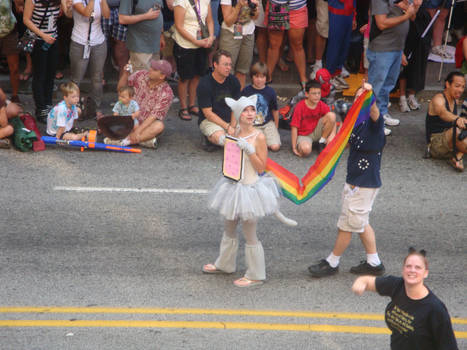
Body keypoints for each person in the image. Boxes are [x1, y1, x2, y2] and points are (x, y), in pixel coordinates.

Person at [201, 95, 281, 287]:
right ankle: (225, 264)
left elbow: (261, 168)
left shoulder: (259, 136)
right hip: (233, 185)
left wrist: (250, 151)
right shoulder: (236, 132)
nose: (250, 114)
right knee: (229, 226)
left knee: (249, 232)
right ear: (238, 114)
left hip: (250, 189)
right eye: (245, 110)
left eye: (252, 110)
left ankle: (256, 274)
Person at [308, 82, 386, 278]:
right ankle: (374, 262)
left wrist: (369, 94)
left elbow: (375, 111)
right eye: (357, 97)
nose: (358, 101)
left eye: (363, 98)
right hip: (356, 182)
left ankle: (332, 262)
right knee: (361, 222)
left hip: (364, 184)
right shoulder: (355, 123)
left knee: (347, 225)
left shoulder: (375, 123)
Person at [352, 248, 459, 350]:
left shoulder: (435, 309)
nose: (412, 270)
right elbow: (366, 280)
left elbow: (449, 346)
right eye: (408, 266)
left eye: (418, 267)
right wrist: (360, 283)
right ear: (403, 270)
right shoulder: (397, 285)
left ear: (425, 273)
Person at [367, 0, 420, 133]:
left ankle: (382, 114)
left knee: (388, 84)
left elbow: (413, 17)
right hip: (382, 48)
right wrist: (406, 15)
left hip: (396, 48)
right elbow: (382, 23)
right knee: (376, 86)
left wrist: (414, 6)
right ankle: (371, 121)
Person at [23, 0, 73, 122]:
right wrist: (43, 35)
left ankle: (48, 104)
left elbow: (69, 15)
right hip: (38, 40)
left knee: (50, 74)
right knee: (40, 75)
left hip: (52, 39)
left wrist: (68, 6)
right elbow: (26, 19)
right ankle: (41, 108)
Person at [113, 59, 174, 148]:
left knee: (159, 126)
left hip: (146, 125)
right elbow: (120, 90)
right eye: (151, 67)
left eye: (154, 70)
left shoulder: (167, 93)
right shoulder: (140, 74)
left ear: (162, 76)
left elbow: (153, 116)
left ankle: (127, 141)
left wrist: (137, 131)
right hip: (128, 117)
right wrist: (125, 74)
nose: (150, 69)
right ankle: (143, 140)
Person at [173, 0, 214, 121]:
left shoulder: (206, 1)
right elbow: (179, 26)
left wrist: (211, 36)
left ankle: (192, 104)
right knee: (185, 77)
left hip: (202, 42)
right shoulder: (181, 2)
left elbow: (209, 20)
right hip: (185, 44)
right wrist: (195, 41)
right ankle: (183, 107)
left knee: (197, 75)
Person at [69, 0, 110, 117]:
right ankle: (71, 107)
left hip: (98, 42)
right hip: (79, 42)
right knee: (77, 78)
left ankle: (97, 107)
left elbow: (107, 15)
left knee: (97, 77)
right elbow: (87, 13)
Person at [197, 49, 241, 151]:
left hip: (231, 118)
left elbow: (236, 107)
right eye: (225, 65)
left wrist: (232, 126)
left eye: (230, 65)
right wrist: (227, 126)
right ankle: (209, 137)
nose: (229, 68)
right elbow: (208, 113)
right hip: (209, 120)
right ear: (215, 65)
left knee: (247, 136)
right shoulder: (204, 83)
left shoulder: (234, 81)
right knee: (222, 139)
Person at [426, 71, 467, 172]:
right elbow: (443, 113)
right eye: (457, 86)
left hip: (451, 141)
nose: (460, 90)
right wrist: (457, 119)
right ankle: (458, 156)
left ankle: (459, 154)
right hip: (436, 145)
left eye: (463, 87)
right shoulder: (438, 99)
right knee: (457, 131)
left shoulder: (454, 99)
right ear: (447, 84)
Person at [266, 0, 308, 89]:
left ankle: (303, 77)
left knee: (298, 44)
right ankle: (267, 76)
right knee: (274, 44)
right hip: (277, 6)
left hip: (298, 8)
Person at [218, 0, 259, 89]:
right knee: (226, 70)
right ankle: (225, 99)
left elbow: (255, 17)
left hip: (248, 33)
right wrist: (238, 5)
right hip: (230, 33)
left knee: (242, 70)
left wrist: (255, 8)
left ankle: (239, 99)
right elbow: (228, 21)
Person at [290, 80, 337, 157]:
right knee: (306, 150)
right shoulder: (300, 106)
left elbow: (333, 120)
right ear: (306, 94)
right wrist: (294, 147)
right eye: (314, 93)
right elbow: (294, 127)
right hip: (304, 135)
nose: (317, 96)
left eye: (319, 93)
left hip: (317, 131)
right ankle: (309, 144)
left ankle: (321, 141)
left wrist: (332, 135)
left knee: (331, 115)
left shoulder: (321, 105)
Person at [241, 62, 281, 151]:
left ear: (267, 78)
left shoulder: (270, 92)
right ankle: (260, 140)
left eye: (262, 77)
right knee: (252, 147)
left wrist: (276, 127)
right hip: (252, 125)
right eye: (256, 76)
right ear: (252, 77)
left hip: (267, 124)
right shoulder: (246, 91)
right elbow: (241, 110)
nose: (259, 80)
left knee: (275, 147)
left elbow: (275, 110)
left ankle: (263, 140)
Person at [398, 8, 432, 113]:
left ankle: (411, 96)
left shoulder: (425, 14)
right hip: (405, 42)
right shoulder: (401, 10)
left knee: (418, 67)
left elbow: (427, 33)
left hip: (420, 44)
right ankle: (402, 97)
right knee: (403, 70)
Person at [119, 0, 164, 72]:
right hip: (140, 45)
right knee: (141, 78)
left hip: (155, 45)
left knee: (153, 77)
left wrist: (161, 35)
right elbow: (122, 19)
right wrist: (146, 16)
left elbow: (158, 12)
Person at [0, 0, 22, 103]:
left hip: (9, 30)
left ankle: (15, 95)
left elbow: (19, 6)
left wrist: (19, 4)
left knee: (14, 67)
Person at [102, 0, 129, 78]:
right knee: (100, 42)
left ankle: (123, 76)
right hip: (100, 7)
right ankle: (99, 76)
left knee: (122, 43)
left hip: (123, 8)